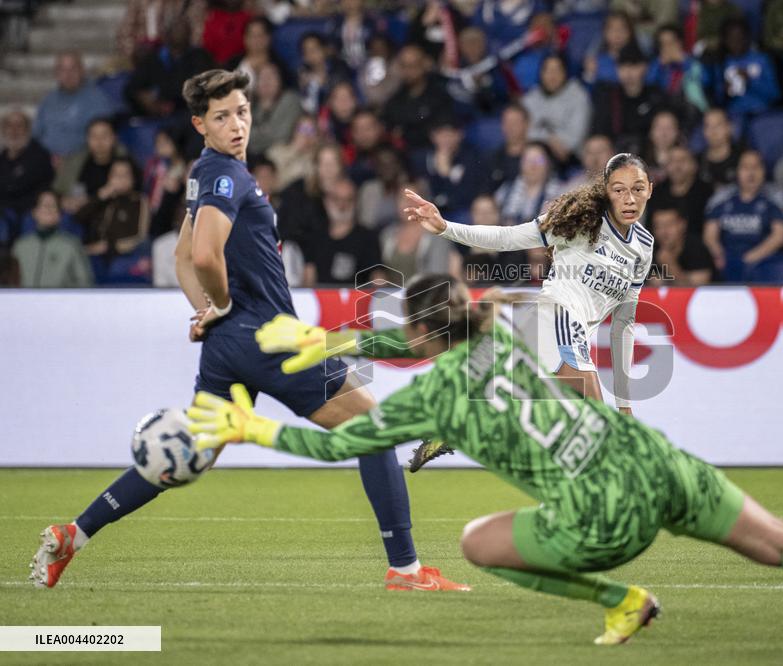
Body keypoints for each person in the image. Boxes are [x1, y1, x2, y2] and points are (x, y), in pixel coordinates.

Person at [185, 273, 783, 646]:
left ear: (421, 336)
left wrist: (251, 427)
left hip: (604, 517)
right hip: (653, 461)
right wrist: (338, 343)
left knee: (479, 543)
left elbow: (335, 442)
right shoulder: (500, 329)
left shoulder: (432, 398)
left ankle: (623, 600)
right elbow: (421, 337)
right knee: (776, 541)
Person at [29, 69, 467, 594]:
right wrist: (223, 304)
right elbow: (203, 255)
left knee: (193, 453)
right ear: (200, 123)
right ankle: (407, 571)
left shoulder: (204, 173)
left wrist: (210, 312)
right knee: (373, 431)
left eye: (241, 112)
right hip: (265, 336)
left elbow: (181, 258)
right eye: (221, 117)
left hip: (227, 348)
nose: (236, 124)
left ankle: (73, 534)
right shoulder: (225, 178)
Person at [409, 152, 653, 409]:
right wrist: (446, 227)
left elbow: (623, 324)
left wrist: (625, 403)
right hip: (557, 321)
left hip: (558, 335)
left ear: (650, 189)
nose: (629, 199)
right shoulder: (582, 220)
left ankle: (462, 413)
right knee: (598, 424)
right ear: (605, 190)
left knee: (555, 429)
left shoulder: (644, 246)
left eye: (638, 189)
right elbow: (508, 238)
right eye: (618, 190)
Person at [703, 150, 783, 282]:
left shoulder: (775, 198)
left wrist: (749, 259)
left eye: (756, 167)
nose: (751, 173)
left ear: (764, 171)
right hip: (725, 262)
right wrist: (720, 255)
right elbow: (710, 235)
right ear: (737, 172)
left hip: (763, 263)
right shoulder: (722, 198)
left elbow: (779, 236)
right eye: (745, 168)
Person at [301, 176, 382, 286]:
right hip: (319, 300)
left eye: (348, 199)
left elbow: (378, 278)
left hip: (355, 301)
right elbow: (308, 279)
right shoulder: (316, 237)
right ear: (326, 201)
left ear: (356, 203)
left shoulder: (368, 238)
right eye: (337, 199)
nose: (342, 205)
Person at [590, 43, 668, 155]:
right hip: (615, 155)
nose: (628, 72)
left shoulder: (656, 95)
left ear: (644, 67)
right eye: (623, 66)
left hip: (650, 153)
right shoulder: (607, 96)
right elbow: (600, 131)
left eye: (633, 65)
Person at [32, 51, 114, 157]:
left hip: (81, 161)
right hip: (47, 160)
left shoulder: (97, 100)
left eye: (73, 69)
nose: (68, 74)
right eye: (63, 70)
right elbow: (37, 134)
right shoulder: (48, 100)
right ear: (56, 73)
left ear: (82, 71)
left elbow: (101, 141)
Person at [381, 183, 462, 284]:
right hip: (392, 296)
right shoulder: (387, 235)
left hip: (425, 296)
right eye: (403, 199)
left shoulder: (437, 235)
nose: (408, 204)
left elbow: (437, 277)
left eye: (413, 199)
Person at [522, 54, 592, 167]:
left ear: (565, 73)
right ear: (541, 74)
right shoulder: (530, 98)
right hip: (537, 155)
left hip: (569, 158)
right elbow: (523, 132)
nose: (552, 76)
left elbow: (575, 138)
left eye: (557, 70)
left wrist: (546, 137)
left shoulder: (578, 95)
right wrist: (549, 138)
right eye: (548, 70)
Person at [12, 191, 93, 287]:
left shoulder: (71, 245)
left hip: (60, 301)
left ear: (59, 215)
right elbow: (10, 281)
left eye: (52, 206)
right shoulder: (20, 246)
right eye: (44, 205)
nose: (48, 210)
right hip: (22, 301)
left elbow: (85, 282)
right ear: (35, 212)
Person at [713, 18, 780, 122]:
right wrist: (724, 91)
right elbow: (717, 100)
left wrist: (750, 82)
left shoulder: (762, 59)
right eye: (731, 38)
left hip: (761, 113)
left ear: (748, 37)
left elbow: (775, 94)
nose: (737, 42)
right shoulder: (722, 63)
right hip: (734, 116)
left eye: (741, 37)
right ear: (725, 41)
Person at [648, 145, 714, 242]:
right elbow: (649, 229)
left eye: (683, 160)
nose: (677, 166)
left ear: (694, 165)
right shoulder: (656, 192)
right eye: (672, 161)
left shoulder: (706, 192)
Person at [0, 110, 54, 222]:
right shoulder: (3, 157)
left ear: (28, 130)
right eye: (9, 125)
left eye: (19, 126)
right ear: (3, 130)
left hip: (30, 214)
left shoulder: (40, 156)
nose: (13, 131)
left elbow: (39, 190)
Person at [494, 142, 564, 227]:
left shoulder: (560, 193)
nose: (532, 166)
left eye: (539, 160)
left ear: (549, 163)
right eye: (528, 160)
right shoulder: (505, 191)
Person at [463, 193, 527, 285]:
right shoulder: (461, 243)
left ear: (498, 214)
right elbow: (456, 276)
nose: (484, 217)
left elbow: (513, 278)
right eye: (480, 212)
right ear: (472, 215)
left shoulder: (512, 245)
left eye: (488, 212)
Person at [647, 207, 713, 286]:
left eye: (669, 225)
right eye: (658, 226)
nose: (663, 232)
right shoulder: (649, 250)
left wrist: (670, 265)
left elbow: (697, 290)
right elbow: (653, 286)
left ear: (682, 224)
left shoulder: (697, 249)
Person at [246, 63, 301, 157]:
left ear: (280, 81)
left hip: (283, 156)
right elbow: (244, 137)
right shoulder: (249, 104)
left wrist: (257, 135)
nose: (266, 81)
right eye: (262, 77)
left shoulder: (290, 101)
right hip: (252, 158)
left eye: (271, 76)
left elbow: (282, 136)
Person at [481, 103, 530, 194]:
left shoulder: (538, 156)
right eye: (506, 122)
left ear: (526, 124)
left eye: (514, 122)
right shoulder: (492, 158)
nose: (509, 127)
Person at [698, 108, 740, 190]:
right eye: (708, 126)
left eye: (718, 125)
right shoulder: (696, 162)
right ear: (703, 131)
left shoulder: (742, 158)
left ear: (729, 128)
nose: (713, 131)